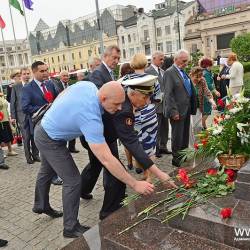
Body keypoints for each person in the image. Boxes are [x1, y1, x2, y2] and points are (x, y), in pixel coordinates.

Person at [33, 80, 154, 238]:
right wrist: (135, 183)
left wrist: (60, 112)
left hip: (45, 128)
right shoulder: (91, 118)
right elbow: (106, 159)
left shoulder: (89, 86)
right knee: (73, 180)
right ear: (103, 98)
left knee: (46, 170)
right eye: (116, 104)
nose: (119, 108)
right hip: (49, 139)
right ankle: (70, 227)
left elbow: (64, 93)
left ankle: (40, 204)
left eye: (121, 104)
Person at [81, 73, 177, 220]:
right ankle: (109, 212)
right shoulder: (124, 110)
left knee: (95, 165)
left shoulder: (125, 98)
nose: (147, 102)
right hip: (97, 139)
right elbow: (132, 143)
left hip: (102, 136)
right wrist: (159, 173)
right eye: (145, 97)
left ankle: (82, 189)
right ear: (133, 93)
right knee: (117, 173)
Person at [80, 45, 121, 200]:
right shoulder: (98, 74)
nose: (116, 61)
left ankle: (82, 189)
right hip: (101, 130)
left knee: (96, 164)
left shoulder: (109, 73)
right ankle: (112, 202)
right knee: (111, 164)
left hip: (106, 128)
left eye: (118, 58)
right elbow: (101, 101)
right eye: (114, 58)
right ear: (105, 56)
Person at [22, 61, 62, 185]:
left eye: (46, 70)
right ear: (34, 72)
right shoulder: (27, 88)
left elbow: (57, 99)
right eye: (42, 71)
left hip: (54, 123)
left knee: (49, 153)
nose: (46, 73)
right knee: (48, 152)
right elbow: (25, 107)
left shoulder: (51, 84)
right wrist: (44, 108)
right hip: (40, 126)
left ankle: (48, 177)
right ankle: (53, 176)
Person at [163, 49, 197, 167]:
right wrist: (173, 111)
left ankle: (183, 155)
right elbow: (168, 94)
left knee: (184, 135)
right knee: (177, 136)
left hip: (186, 109)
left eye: (187, 61)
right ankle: (176, 159)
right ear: (176, 59)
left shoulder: (183, 71)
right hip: (177, 110)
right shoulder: (169, 72)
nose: (186, 63)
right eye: (184, 61)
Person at [10, 68, 39, 164]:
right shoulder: (15, 87)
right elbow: (13, 103)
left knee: (34, 136)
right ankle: (28, 157)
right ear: (21, 75)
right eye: (24, 74)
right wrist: (13, 117)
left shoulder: (33, 85)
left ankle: (36, 155)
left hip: (33, 115)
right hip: (22, 117)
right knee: (26, 137)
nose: (26, 75)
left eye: (28, 73)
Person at [145, 51, 171, 157]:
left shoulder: (163, 71)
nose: (162, 61)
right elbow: (147, 90)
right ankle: (156, 148)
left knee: (165, 127)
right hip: (154, 105)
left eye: (163, 59)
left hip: (164, 105)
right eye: (160, 59)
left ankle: (163, 146)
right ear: (153, 58)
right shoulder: (148, 71)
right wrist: (158, 96)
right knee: (156, 128)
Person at [189, 67, 217, 144]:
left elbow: (207, 92)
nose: (198, 79)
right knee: (188, 127)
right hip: (187, 107)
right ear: (191, 74)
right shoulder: (187, 80)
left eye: (200, 77)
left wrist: (212, 102)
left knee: (197, 126)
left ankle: (197, 144)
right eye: (196, 77)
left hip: (197, 106)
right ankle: (191, 147)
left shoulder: (202, 80)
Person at [53, 70, 79, 153]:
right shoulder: (56, 85)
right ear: (60, 77)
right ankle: (63, 148)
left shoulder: (72, 85)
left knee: (73, 128)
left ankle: (72, 147)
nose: (66, 77)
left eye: (67, 76)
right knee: (63, 129)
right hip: (61, 111)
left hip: (71, 110)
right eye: (64, 76)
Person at [200, 58, 220, 129]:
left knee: (204, 111)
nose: (212, 66)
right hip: (206, 95)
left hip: (203, 94)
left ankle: (203, 126)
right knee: (207, 111)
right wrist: (215, 91)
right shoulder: (206, 73)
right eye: (211, 64)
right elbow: (208, 84)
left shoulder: (205, 72)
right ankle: (202, 126)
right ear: (207, 65)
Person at [0, 92, 18, 157]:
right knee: (2, 136)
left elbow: (5, 105)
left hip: (5, 118)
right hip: (1, 120)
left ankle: (10, 150)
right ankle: (1, 154)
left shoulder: (1, 95)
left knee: (8, 135)